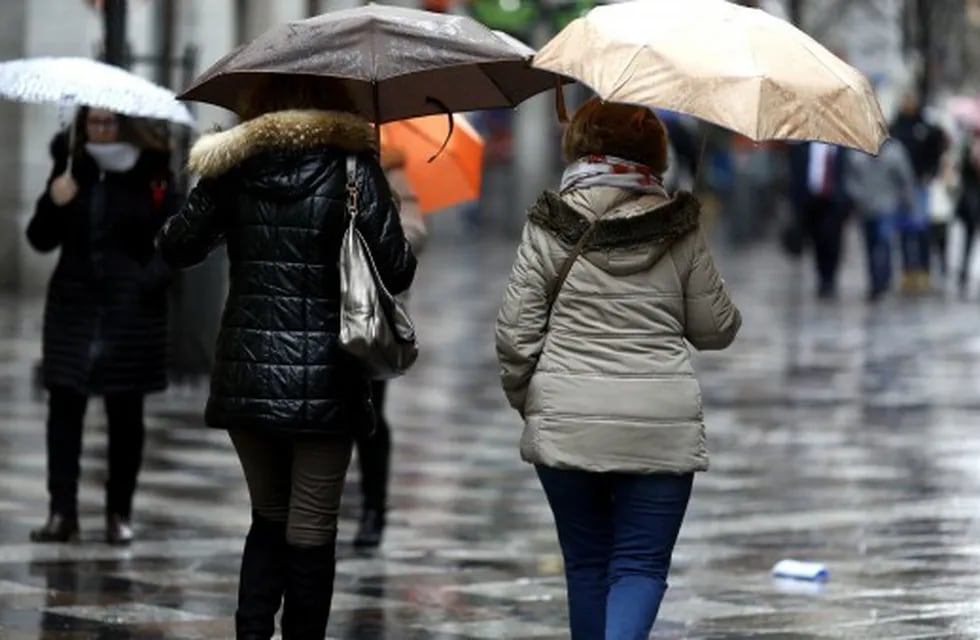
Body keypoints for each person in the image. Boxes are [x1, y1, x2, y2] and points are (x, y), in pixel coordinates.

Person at [157, 78, 416, 640]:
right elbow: (398, 270)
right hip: (330, 376)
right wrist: (381, 209)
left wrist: (207, 188)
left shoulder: (233, 166)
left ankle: (251, 633)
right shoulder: (354, 169)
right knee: (311, 525)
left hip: (247, 369)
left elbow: (177, 245)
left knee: (268, 517)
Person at [495, 98, 741, 640]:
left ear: (579, 146)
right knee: (639, 567)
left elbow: (514, 337)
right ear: (655, 153)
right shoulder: (679, 224)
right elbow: (716, 328)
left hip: (566, 420)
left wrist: (532, 402)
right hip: (659, 425)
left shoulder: (548, 221)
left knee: (586, 566)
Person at [26, 107, 175, 546]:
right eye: (94, 123)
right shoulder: (72, 166)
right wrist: (53, 201)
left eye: (110, 123)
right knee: (64, 407)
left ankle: (118, 513)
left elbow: (175, 236)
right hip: (73, 307)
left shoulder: (153, 173)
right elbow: (40, 239)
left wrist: (146, 281)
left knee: (125, 415)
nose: (102, 131)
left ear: (124, 125)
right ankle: (62, 512)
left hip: (131, 313)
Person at [352, 144, 427, 548]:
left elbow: (415, 235)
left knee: (370, 414)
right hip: (323, 311)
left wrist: (377, 225)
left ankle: (373, 509)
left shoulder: (389, 167)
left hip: (372, 314)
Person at [844, 139, 917, 301]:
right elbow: (850, 179)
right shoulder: (857, 154)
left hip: (887, 207)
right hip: (865, 209)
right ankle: (874, 281)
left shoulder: (895, 152)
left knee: (884, 243)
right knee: (870, 246)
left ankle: (883, 280)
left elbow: (905, 179)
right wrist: (858, 196)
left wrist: (908, 203)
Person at [891, 90, 948, 294]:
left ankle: (924, 269)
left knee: (921, 228)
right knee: (905, 229)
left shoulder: (924, 126)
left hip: (919, 184)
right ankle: (908, 270)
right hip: (901, 186)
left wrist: (929, 173)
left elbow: (937, 147)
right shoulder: (897, 126)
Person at [789, 141, 850, 299]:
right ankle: (822, 276)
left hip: (834, 201)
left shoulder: (842, 148)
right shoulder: (804, 146)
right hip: (812, 201)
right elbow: (796, 174)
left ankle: (829, 278)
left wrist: (846, 200)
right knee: (817, 240)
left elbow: (847, 173)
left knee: (833, 240)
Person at [958, 127, 980, 294]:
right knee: (968, 241)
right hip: (971, 203)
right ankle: (963, 274)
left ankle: (965, 274)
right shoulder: (966, 149)